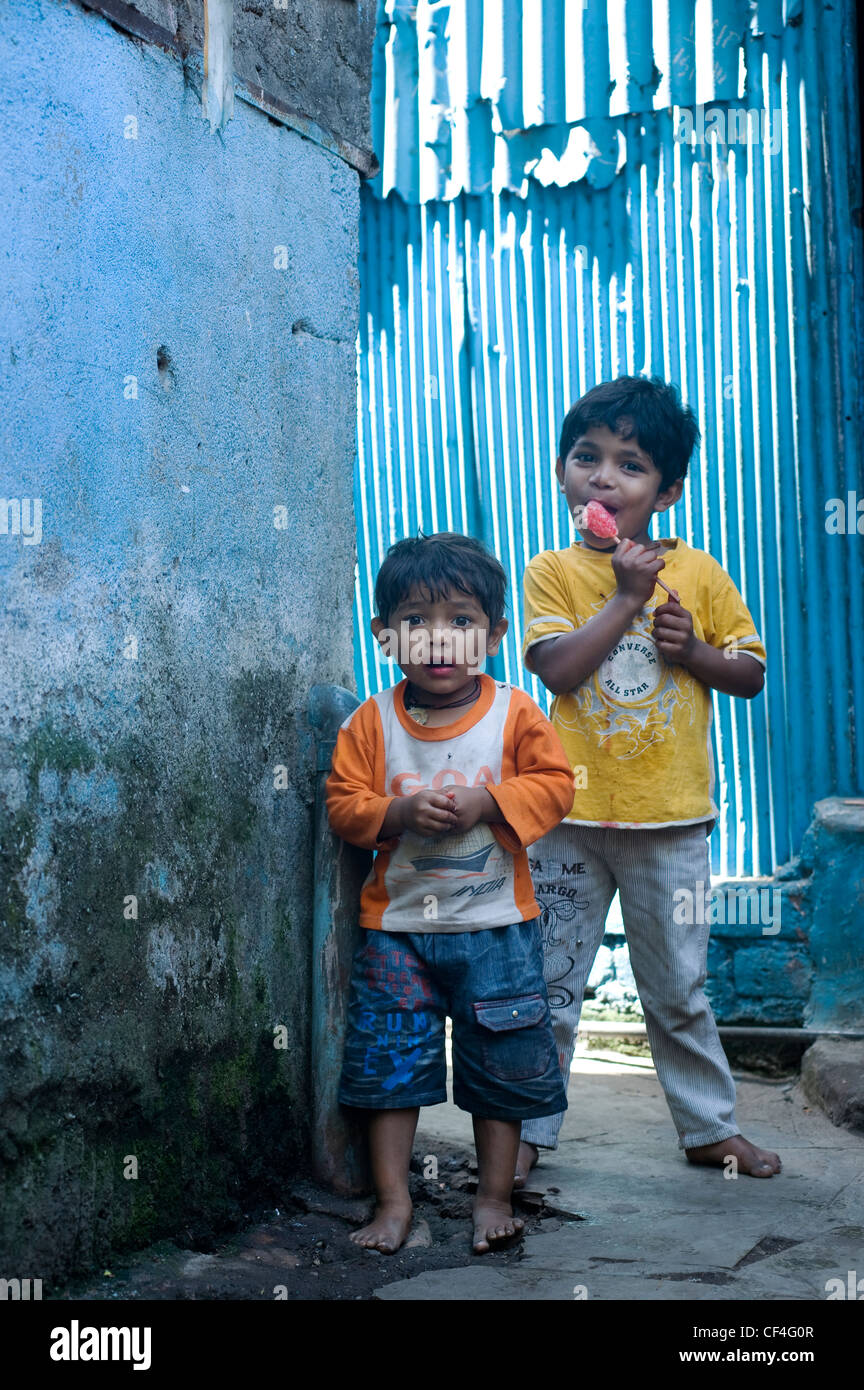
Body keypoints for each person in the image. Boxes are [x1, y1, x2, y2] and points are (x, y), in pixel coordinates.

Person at [514, 375, 782, 1187]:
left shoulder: (698, 574)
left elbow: (749, 672)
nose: (603, 478)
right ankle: (525, 1134)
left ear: (665, 492)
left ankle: (709, 1129)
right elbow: (557, 669)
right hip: (569, 817)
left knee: (678, 991)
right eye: (586, 458)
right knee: (550, 987)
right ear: (562, 471)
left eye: (629, 466)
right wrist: (626, 598)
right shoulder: (553, 572)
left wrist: (695, 652)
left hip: (670, 823)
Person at [325, 532, 575, 1254]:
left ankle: (493, 1198)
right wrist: (395, 814)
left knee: (500, 1066)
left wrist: (490, 803)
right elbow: (344, 803)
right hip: (397, 932)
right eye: (417, 620)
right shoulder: (370, 723)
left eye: (462, 622)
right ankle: (395, 1202)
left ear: (494, 635)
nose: (441, 642)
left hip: (496, 927)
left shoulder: (515, 714)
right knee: (389, 1066)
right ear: (384, 636)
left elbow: (555, 785)